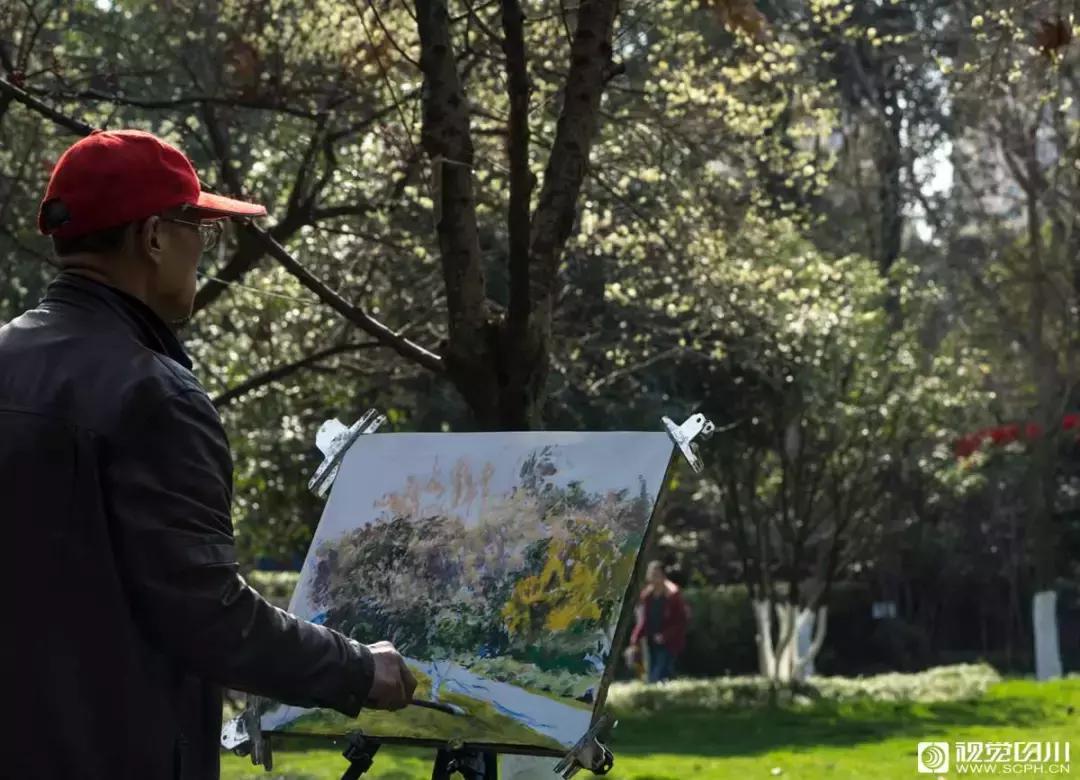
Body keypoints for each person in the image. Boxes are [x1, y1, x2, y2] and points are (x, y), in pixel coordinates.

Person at [0, 129, 417, 779]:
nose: (205, 249)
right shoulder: (154, 395)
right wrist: (359, 668)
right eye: (200, 227)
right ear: (154, 237)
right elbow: (209, 617)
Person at [628, 560, 689, 682]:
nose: (653, 579)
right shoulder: (647, 595)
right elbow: (643, 620)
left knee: (659, 676)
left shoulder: (673, 595)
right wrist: (634, 639)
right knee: (652, 677)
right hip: (651, 642)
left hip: (669, 643)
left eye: (656, 575)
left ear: (663, 576)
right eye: (651, 575)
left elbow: (681, 621)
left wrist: (665, 636)